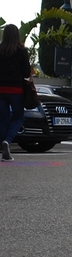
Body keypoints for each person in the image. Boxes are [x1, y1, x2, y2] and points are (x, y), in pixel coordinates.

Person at [0, 24, 32, 161]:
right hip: (16, 90)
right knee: (18, 117)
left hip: (1, 89)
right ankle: (7, 141)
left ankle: (3, 147)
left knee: (4, 119)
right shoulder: (21, 51)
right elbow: (26, 72)